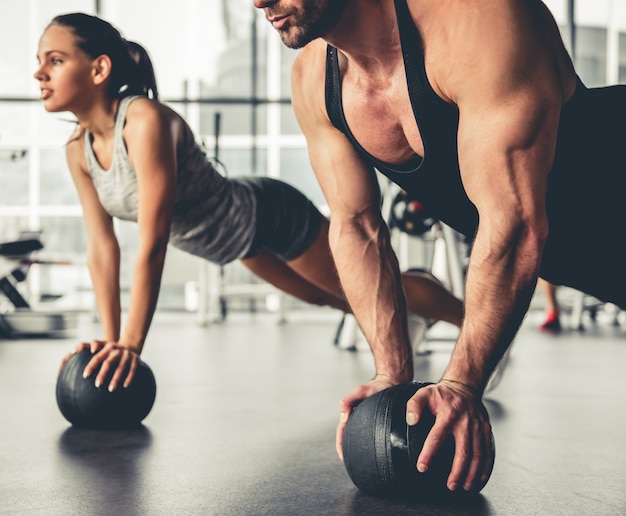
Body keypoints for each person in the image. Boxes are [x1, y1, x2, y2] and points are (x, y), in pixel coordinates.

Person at [254, 0, 626, 493]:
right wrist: (392, 375)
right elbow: (357, 226)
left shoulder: (480, 19)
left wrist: (460, 384)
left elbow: (512, 222)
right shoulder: (314, 81)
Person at [34, 14, 464, 393]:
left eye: (55, 60)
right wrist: (111, 343)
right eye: (40, 62)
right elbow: (102, 249)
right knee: (335, 299)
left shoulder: (143, 121)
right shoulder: (78, 150)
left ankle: (469, 328)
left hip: (267, 215)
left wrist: (131, 345)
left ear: (99, 68)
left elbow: (153, 241)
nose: (39, 74)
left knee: (366, 290)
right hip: (238, 242)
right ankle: (415, 320)